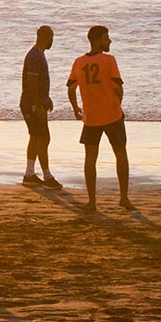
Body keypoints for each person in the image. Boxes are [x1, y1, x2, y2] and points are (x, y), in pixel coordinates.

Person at [67, 26, 133, 211]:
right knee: (120, 154)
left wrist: (75, 108)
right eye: (106, 38)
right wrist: (118, 104)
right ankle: (124, 198)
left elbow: (71, 88)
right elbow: (118, 87)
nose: (109, 41)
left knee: (90, 158)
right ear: (96, 41)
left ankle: (92, 201)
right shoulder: (109, 60)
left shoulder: (78, 62)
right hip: (112, 115)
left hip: (91, 118)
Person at [20, 26, 62, 189]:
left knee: (36, 137)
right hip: (32, 103)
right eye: (51, 37)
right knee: (43, 138)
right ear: (44, 36)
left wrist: (46, 98)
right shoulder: (35, 56)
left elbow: (38, 82)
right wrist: (37, 104)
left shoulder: (38, 54)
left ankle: (29, 174)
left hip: (33, 101)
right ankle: (47, 175)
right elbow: (31, 82)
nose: (52, 40)